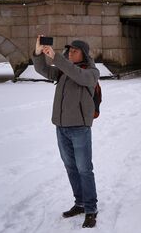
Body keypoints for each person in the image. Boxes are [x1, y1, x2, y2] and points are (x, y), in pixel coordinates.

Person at [33, 37, 100, 229]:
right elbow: (43, 70)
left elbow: (77, 75)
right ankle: (79, 203)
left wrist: (57, 58)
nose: (70, 53)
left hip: (79, 128)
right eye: (68, 51)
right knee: (71, 167)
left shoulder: (91, 73)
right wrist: (38, 54)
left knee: (84, 169)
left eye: (74, 51)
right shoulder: (63, 71)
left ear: (84, 54)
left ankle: (90, 209)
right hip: (61, 127)